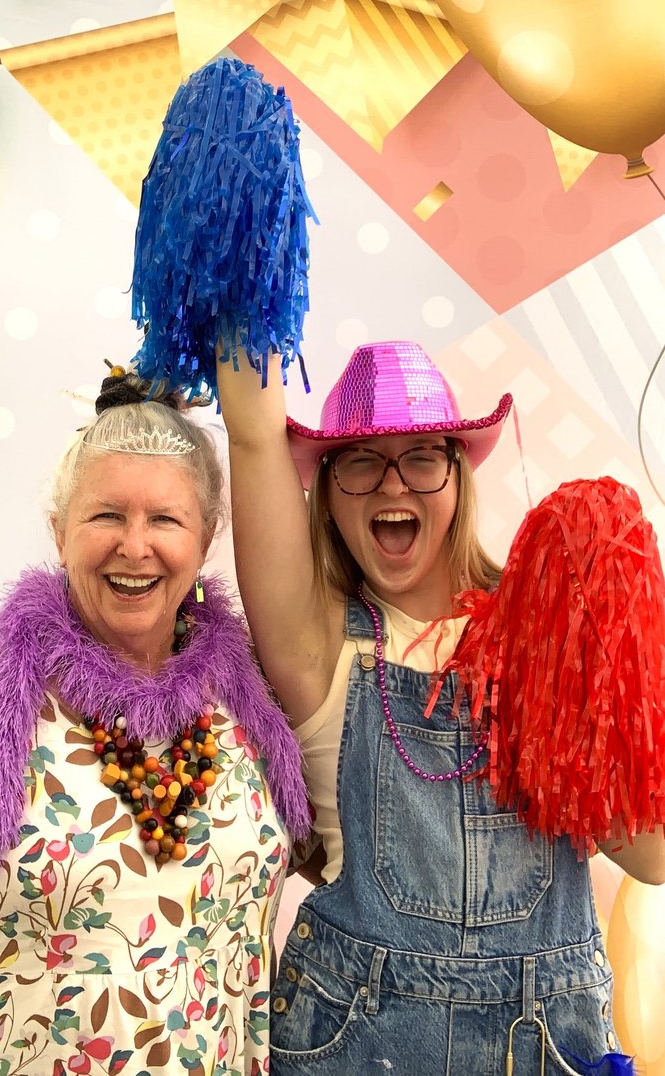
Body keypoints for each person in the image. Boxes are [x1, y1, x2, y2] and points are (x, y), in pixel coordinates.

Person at [215, 340, 665, 1075]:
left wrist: (609, 645)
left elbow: (652, 857)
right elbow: (254, 433)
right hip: (360, 1043)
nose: (394, 483)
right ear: (325, 491)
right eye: (360, 460)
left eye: (422, 456)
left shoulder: (538, 644)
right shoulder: (315, 642)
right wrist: (246, 255)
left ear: (458, 478)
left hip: (544, 1045)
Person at [0, 368, 311, 1076]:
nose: (134, 546)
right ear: (59, 530)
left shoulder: (246, 698)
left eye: (165, 519)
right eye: (106, 516)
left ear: (206, 534)